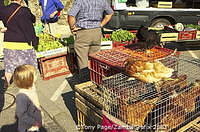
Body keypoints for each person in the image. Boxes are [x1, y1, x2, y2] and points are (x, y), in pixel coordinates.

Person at [68, 0, 113, 78]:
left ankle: (85, 80)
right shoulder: (102, 1)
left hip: (83, 32)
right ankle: (96, 77)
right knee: (95, 57)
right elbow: (110, 13)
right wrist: (101, 25)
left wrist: (72, 28)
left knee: (82, 59)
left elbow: (71, 16)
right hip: (97, 32)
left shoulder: (80, 1)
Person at [0, 0, 38, 89]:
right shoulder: (24, 10)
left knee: (9, 66)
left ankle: (6, 82)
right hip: (23, 43)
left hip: (9, 43)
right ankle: (30, 83)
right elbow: (33, 19)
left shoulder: (3, 10)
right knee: (29, 66)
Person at [13, 64, 42, 132]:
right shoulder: (22, 96)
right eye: (35, 74)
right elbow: (21, 115)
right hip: (28, 127)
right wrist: (34, 122)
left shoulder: (31, 87)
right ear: (28, 79)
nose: (37, 76)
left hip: (35, 122)